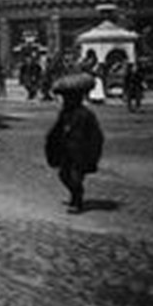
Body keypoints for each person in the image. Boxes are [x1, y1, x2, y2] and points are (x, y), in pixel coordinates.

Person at [45, 73, 104, 214]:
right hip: (67, 150)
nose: (66, 100)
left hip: (80, 152)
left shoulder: (85, 114)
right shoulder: (65, 113)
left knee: (75, 176)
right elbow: (57, 130)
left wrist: (91, 153)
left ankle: (77, 200)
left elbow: (96, 136)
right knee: (63, 175)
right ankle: (75, 195)